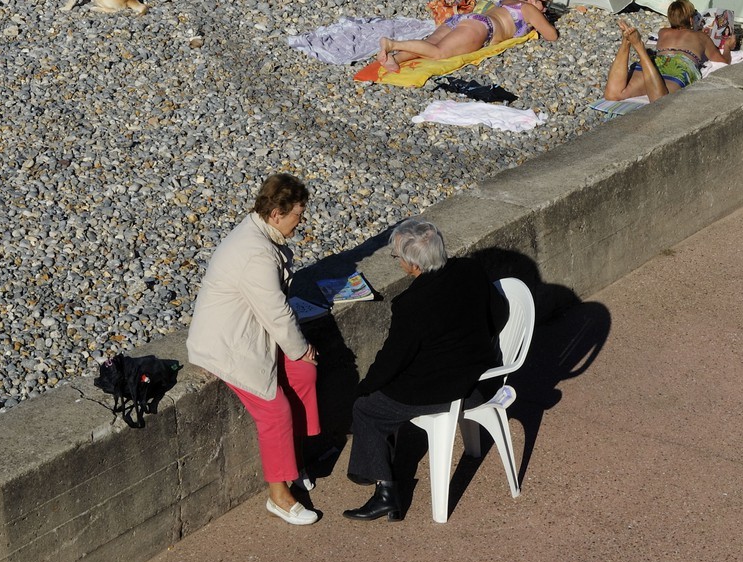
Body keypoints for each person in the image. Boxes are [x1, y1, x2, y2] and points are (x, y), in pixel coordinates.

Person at [343, 219, 506, 521]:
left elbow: (393, 360)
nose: (398, 262)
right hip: (483, 380)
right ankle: (372, 464)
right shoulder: (470, 270)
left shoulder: (412, 303)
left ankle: (385, 492)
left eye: (397, 257)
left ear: (412, 264)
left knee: (366, 407)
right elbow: (500, 312)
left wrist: (363, 387)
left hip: (450, 390)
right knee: (380, 395)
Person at [187, 173, 323, 526]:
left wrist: (299, 355)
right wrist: (301, 347)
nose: (301, 221)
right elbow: (276, 312)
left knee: (305, 374)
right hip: (228, 345)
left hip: (251, 331)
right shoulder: (256, 254)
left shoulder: (263, 233)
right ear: (277, 213)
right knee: (275, 411)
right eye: (298, 214)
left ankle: (295, 461)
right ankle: (279, 496)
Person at [378, 0, 557, 70]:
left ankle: (396, 59)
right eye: (544, 4)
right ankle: (392, 45)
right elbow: (551, 36)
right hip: (482, 27)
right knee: (438, 52)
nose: (545, 9)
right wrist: (543, 19)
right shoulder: (530, 9)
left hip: (466, 19)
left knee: (431, 42)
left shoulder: (507, 1)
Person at [603, 0, 736, 103]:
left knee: (613, 95)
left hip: (655, 63)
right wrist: (728, 48)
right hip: (681, 64)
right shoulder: (701, 37)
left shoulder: (663, 32)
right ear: (690, 19)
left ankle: (626, 43)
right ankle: (639, 47)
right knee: (660, 101)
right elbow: (723, 61)